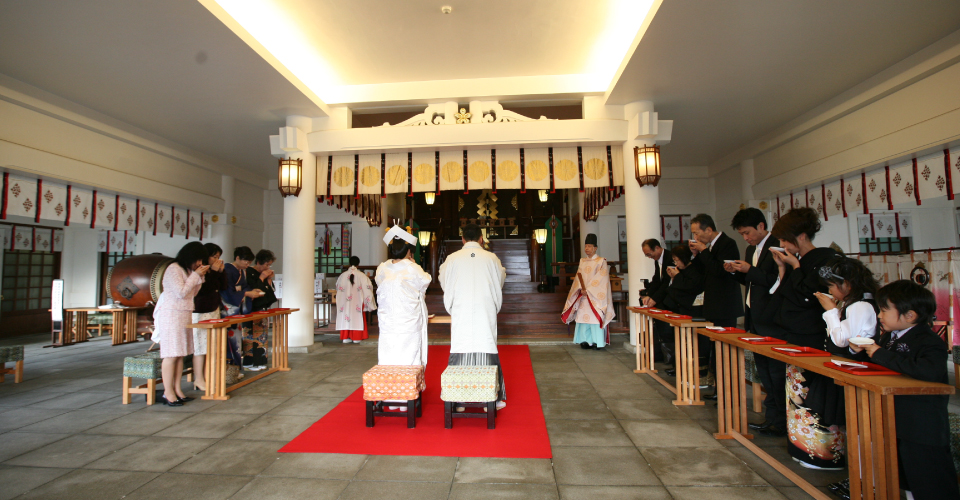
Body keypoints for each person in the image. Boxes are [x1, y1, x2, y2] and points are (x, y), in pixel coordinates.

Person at [850, 280, 959, 500]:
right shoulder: (889, 336)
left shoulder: (929, 341)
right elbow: (885, 365)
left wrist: (879, 353)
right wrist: (859, 352)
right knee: (906, 476)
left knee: (929, 480)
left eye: (884, 310)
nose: (879, 316)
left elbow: (926, 371)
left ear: (909, 316)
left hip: (921, 425)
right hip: (896, 419)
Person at [769, 207, 841, 466]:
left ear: (800, 236)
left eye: (785, 240)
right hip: (794, 335)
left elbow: (807, 297)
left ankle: (820, 454)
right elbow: (784, 294)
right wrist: (784, 268)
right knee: (796, 393)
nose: (782, 245)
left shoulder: (825, 258)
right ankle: (800, 448)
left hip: (813, 336)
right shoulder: (795, 262)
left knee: (815, 394)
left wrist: (796, 266)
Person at [813, 256, 880, 499]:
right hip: (848, 371)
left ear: (848, 284)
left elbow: (844, 341)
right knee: (854, 428)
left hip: (858, 372)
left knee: (862, 430)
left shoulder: (860, 306)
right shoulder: (853, 303)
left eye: (832, 285)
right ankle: (859, 479)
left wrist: (830, 311)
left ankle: (866, 483)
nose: (829, 290)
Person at [725, 208, 788, 436]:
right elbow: (753, 281)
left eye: (748, 232)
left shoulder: (777, 247)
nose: (746, 238)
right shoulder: (752, 248)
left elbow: (778, 282)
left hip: (773, 318)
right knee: (765, 373)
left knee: (777, 374)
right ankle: (772, 419)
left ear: (761, 226)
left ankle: (781, 421)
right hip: (755, 317)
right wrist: (735, 272)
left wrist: (749, 269)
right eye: (742, 234)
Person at [440, 223, 508, 409]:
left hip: (461, 308)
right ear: (481, 238)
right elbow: (501, 276)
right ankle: (491, 399)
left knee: (461, 347)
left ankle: (458, 400)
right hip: (484, 309)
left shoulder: (452, 258)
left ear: (462, 239)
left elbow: (442, 277)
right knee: (486, 345)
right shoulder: (491, 257)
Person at [689, 214, 743, 390]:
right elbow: (701, 271)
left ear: (709, 230)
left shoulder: (727, 244)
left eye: (697, 233)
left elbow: (719, 271)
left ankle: (728, 389)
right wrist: (697, 254)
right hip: (713, 304)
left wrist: (704, 251)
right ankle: (718, 388)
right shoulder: (709, 247)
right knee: (715, 347)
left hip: (725, 305)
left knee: (725, 350)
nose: (695, 238)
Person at [153, 241, 209, 406]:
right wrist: (196, 275)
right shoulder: (173, 269)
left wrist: (200, 276)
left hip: (184, 314)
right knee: (170, 355)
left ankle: (177, 389)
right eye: (198, 259)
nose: (199, 263)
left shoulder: (187, 270)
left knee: (180, 355)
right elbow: (181, 292)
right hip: (171, 314)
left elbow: (194, 292)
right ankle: (167, 392)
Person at [376, 226, 432, 369]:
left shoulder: (382, 268)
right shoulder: (413, 267)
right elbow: (425, 281)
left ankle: (390, 383)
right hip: (408, 318)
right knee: (409, 352)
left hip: (388, 317)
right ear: (408, 251)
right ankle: (409, 385)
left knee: (388, 349)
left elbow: (379, 283)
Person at [562, 233, 615, 351]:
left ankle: (597, 341)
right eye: (586, 246)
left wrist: (589, 290)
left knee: (595, 318)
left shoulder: (601, 261)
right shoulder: (582, 261)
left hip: (595, 296)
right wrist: (580, 289)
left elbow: (602, 279)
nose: (587, 248)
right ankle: (584, 340)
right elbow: (578, 277)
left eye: (590, 246)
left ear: (595, 248)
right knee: (582, 317)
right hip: (583, 295)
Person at [219, 246, 263, 370]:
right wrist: (246, 294)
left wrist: (252, 291)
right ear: (237, 258)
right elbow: (228, 293)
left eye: (249, 262)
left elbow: (244, 287)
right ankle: (232, 368)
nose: (247, 264)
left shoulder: (241, 271)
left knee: (237, 339)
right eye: (246, 261)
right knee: (231, 339)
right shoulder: (228, 270)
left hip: (236, 308)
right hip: (228, 308)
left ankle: (237, 367)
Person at [190, 242, 226, 392]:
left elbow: (222, 287)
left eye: (218, 257)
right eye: (214, 256)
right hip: (200, 311)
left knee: (212, 346)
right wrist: (214, 272)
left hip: (213, 309)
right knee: (200, 347)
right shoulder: (200, 271)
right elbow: (203, 290)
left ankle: (209, 375)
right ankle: (198, 379)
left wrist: (220, 272)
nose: (216, 259)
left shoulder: (214, 270)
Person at [641, 239, 674, 362]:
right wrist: (649, 295)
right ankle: (660, 354)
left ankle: (671, 358)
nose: (649, 257)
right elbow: (656, 280)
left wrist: (655, 298)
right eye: (646, 255)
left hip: (671, 299)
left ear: (657, 248)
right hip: (662, 297)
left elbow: (666, 282)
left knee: (667, 330)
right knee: (659, 327)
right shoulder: (657, 260)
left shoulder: (670, 257)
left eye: (649, 254)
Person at [244, 249, 278, 370]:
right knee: (251, 335)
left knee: (262, 336)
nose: (267, 267)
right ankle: (249, 362)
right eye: (266, 264)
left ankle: (260, 361)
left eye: (269, 265)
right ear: (258, 262)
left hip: (263, 308)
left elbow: (268, 291)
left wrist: (268, 279)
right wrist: (262, 277)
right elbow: (254, 289)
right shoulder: (249, 272)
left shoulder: (263, 274)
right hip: (252, 308)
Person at [336, 256, 377, 344]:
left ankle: (346, 337)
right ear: (358, 264)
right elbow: (368, 289)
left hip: (345, 302)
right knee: (357, 317)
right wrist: (369, 303)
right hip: (358, 302)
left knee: (346, 316)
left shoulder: (342, 276)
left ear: (350, 263)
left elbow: (338, 287)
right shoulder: (362, 276)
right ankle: (356, 337)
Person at [662, 245, 704, 317]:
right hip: (678, 306)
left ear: (684, 258)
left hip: (692, 309)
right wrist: (673, 277)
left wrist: (677, 275)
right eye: (674, 261)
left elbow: (690, 286)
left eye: (677, 260)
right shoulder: (681, 270)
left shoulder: (695, 270)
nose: (675, 263)